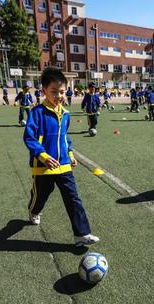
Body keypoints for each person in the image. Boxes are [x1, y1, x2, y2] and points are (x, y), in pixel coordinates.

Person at [22, 67, 99, 246]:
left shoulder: (65, 113)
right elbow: (29, 138)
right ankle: (34, 211)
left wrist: (70, 154)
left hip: (63, 164)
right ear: (44, 91)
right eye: (54, 92)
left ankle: (82, 234)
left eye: (62, 92)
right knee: (41, 196)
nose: (59, 96)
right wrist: (42, 156)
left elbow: (65, 137)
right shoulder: (37, 113)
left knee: (73, 198)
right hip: (43, 167)